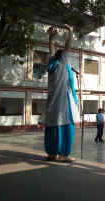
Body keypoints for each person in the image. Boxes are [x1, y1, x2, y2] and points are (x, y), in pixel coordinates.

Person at [43, 24, 80, 162]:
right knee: (67, 128)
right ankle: (63, 155)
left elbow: (51, 51)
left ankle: (51, 154)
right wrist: (70, 32)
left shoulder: (51, 64)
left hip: (51, 103)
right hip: (62, 103)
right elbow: (67, 47)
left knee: (51, 128)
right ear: (63, 57)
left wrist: (51, 39)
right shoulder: (62, 63)